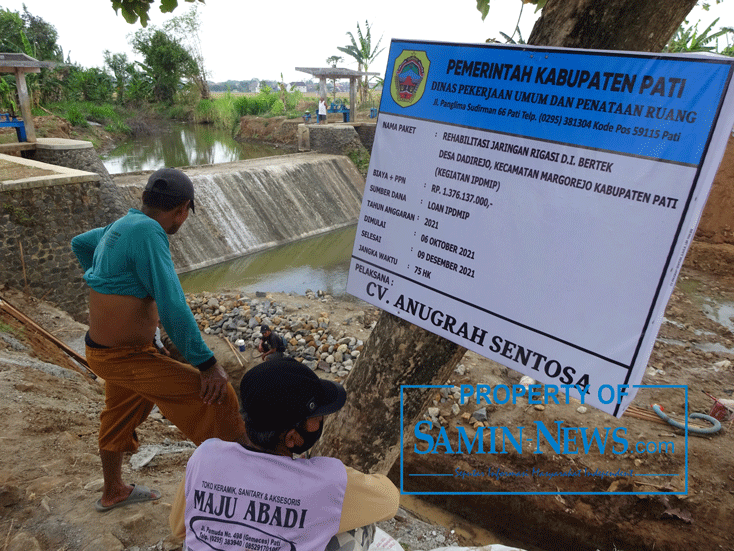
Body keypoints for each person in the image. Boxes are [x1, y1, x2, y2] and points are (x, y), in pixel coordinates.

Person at [71, 167, 246, 512]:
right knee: (218, 393)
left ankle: (113, 492)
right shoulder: (150, 233)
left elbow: (80, 243)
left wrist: (102, 279)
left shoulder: (122, 226)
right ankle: (252, 475)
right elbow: (173, 306)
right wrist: (207, 365)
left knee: (118, 414)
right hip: (124, 357)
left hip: (114, 351)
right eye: (185, 214)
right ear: (182, 210)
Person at [170, 358, 399, 551]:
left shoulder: (206, 456)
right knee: (361, 526)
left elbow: (179, 528)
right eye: (316, 417)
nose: (321, 421)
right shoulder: (327, 482)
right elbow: (389, 501)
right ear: (291, 438)